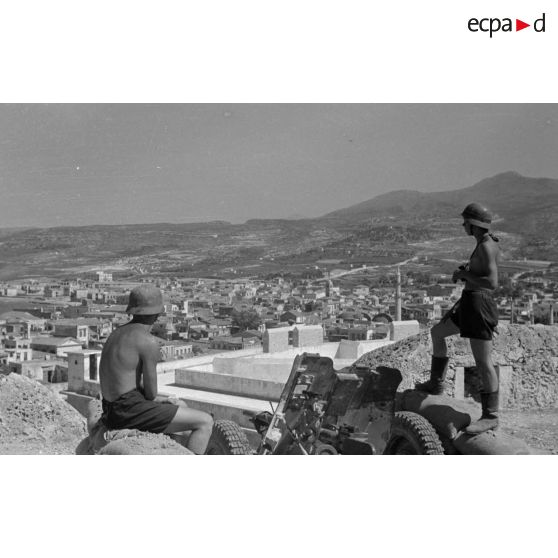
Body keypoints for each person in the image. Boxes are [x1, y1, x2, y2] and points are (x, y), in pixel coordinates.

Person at [416, 203, 500, 434]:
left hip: (479, 305)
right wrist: (468, 272)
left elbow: (492, 283)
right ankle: (436, 383)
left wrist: (464, 274)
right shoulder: (483, 244)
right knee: (437, 333)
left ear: (474, 225)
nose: (463, 225)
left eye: (466, 222)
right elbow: (481, 274)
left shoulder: (486, 247)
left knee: (483, 361)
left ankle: (491, 415)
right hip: (468, 302)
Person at [99, 284, 214, 454]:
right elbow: (151, 394)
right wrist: (158, 400)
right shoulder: (148, 341)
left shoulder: (116, 334)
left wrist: (159, 401)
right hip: (127, 411)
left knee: (179, 405)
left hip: (110, 408)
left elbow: (128, 384)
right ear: (158, 313)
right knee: (205, 422)